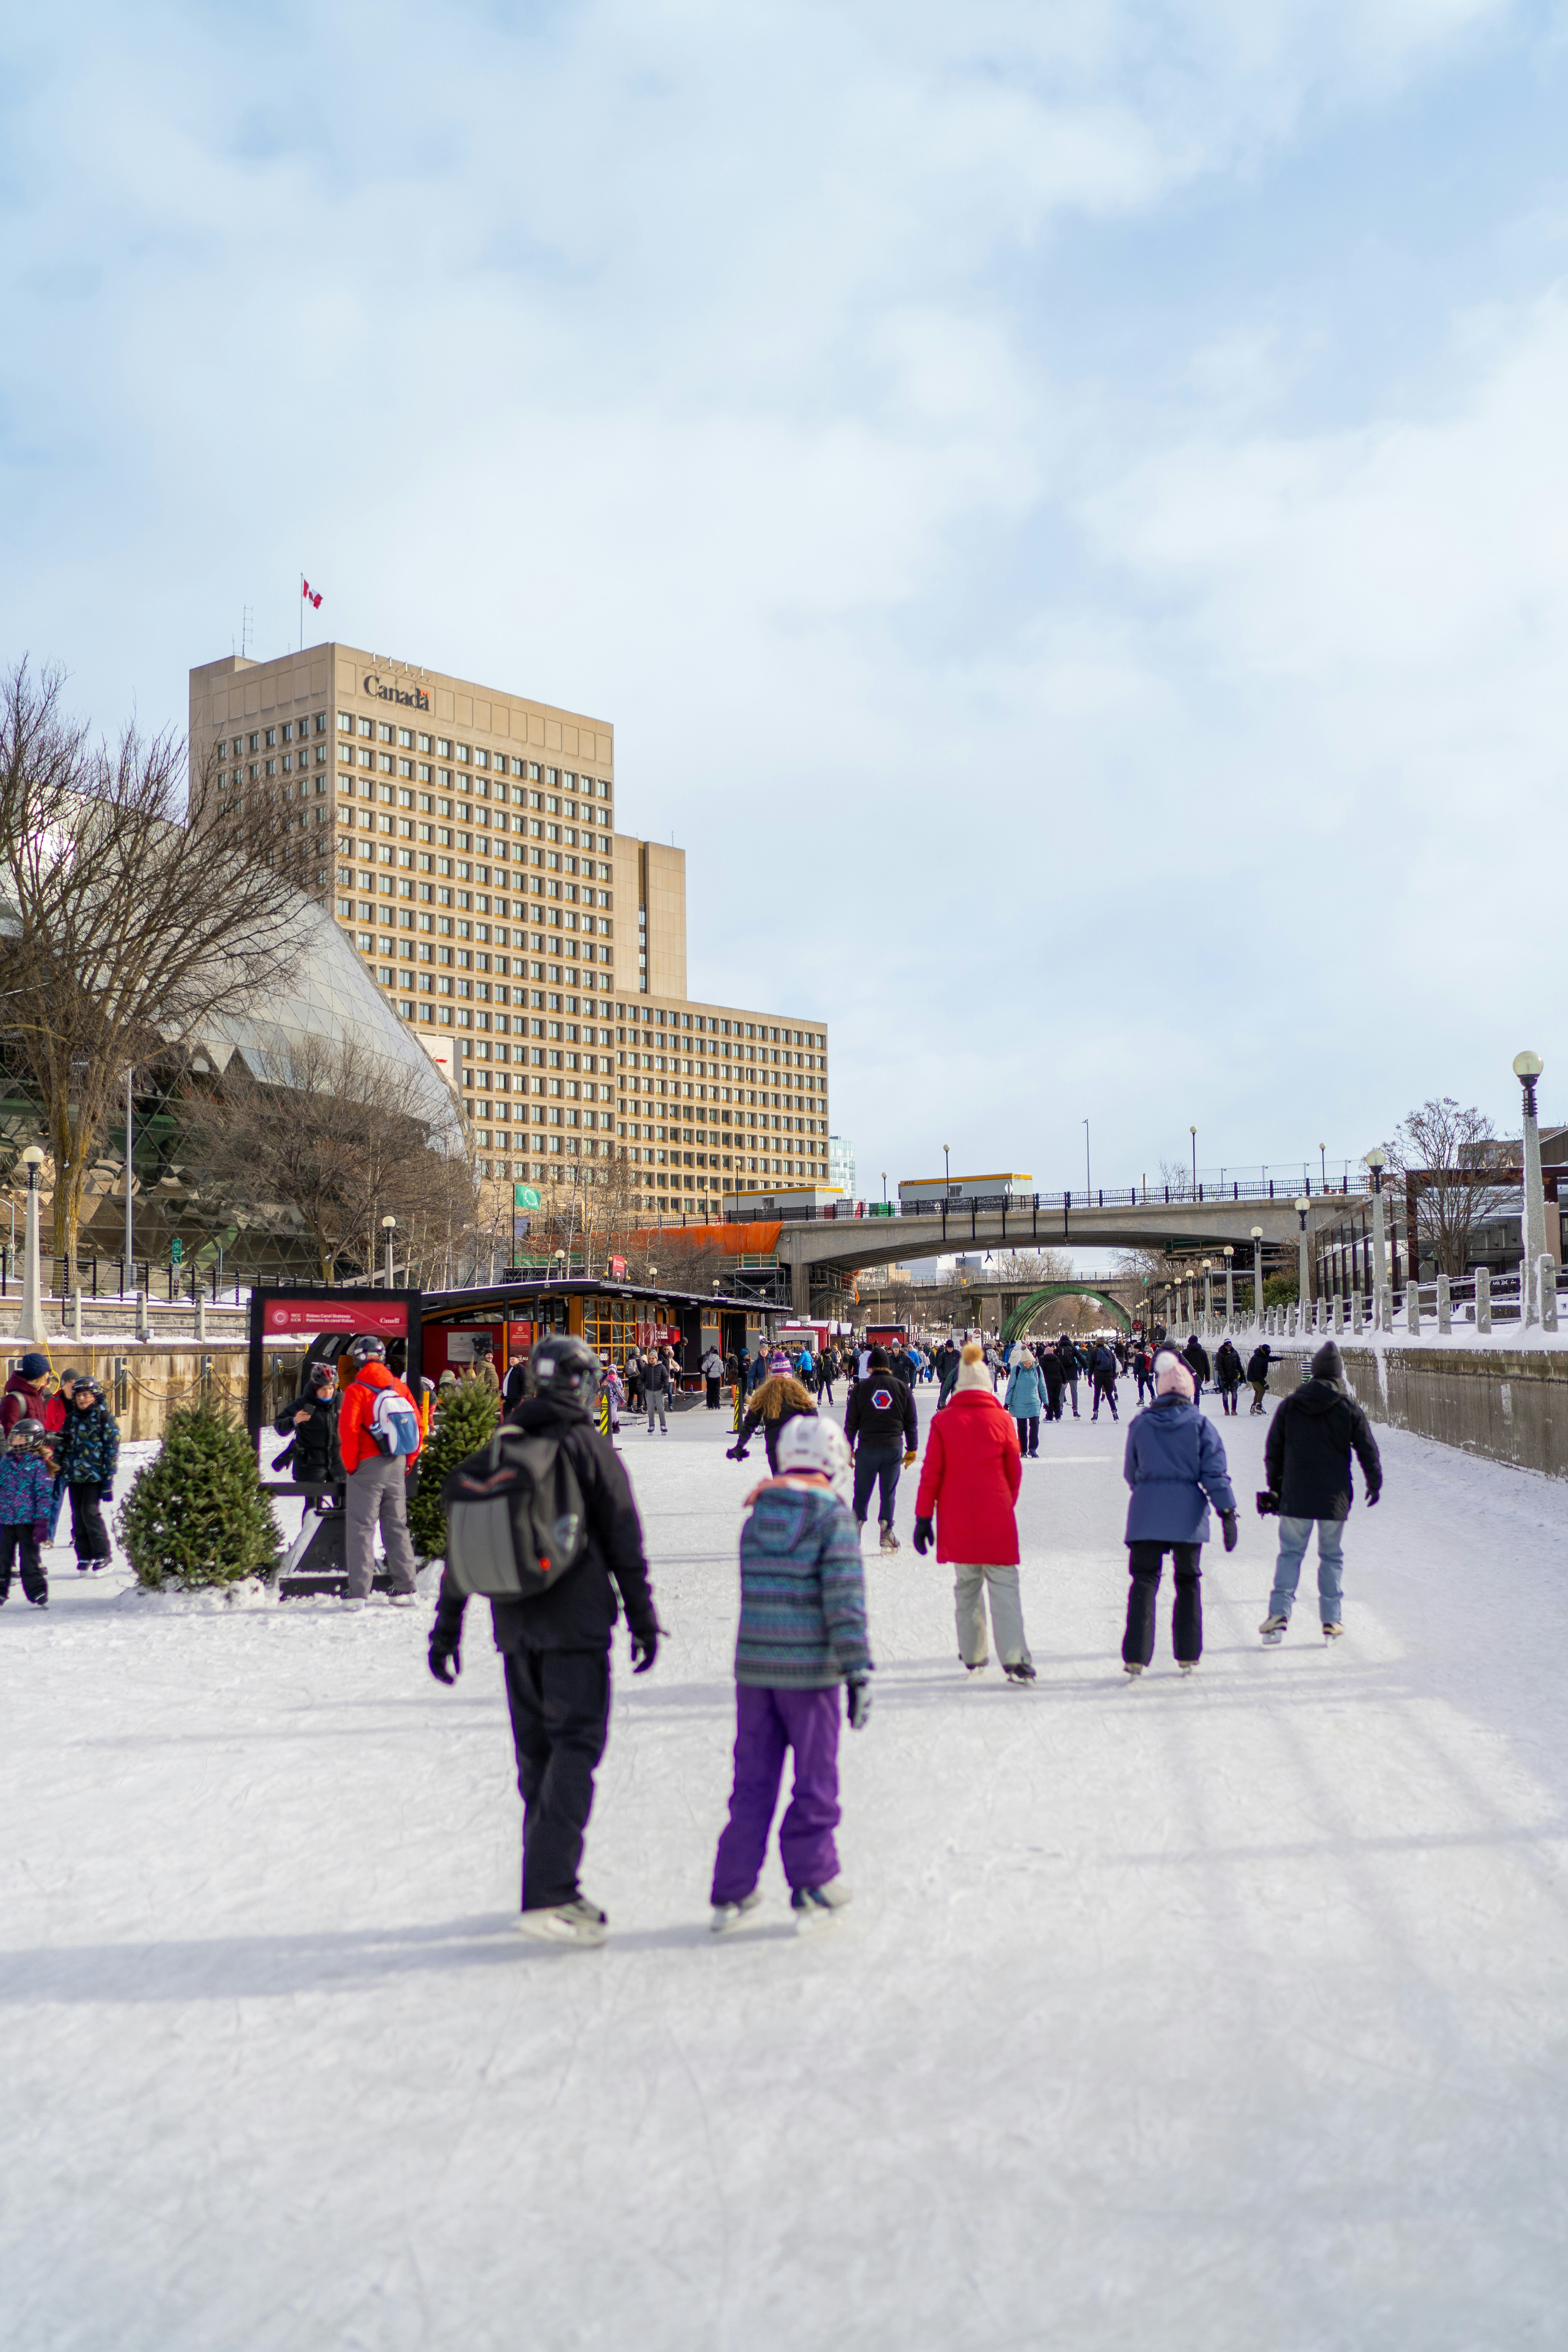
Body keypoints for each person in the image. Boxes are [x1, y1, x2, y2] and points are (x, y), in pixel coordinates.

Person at [427, 1335, 660, 1948]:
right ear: (582, 1384)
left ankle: (542, 1882)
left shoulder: (505, 1443)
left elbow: (466, 1542)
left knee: (536, 1757)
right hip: (577, 1625)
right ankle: (552, 1891)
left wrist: (448, 1626)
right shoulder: (588, 1447)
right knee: (577, 1746)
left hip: (514, 1625)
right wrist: (642, 1618)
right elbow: (623, 1540)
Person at [709, 1414, 871, 1935]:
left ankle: (733, 1887)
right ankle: (812, 1877)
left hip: (756, 1668)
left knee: (752, 1779)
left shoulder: (757, 1515)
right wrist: (857, 1669)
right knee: (815, 1775)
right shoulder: (833, 1518)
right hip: (811, 1671)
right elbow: (843, 1600)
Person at [914, 1341, 1034, 1682]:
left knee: (967, 1588)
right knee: (1004, 1587)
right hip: (997, 1517)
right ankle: (1014, 1656)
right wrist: (1004, 1503)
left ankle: (973, 1654)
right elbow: (1015, 1471)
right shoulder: (1001, 1420)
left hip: (958, 1520)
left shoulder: (944, 1422)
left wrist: (924, 1518)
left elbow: (931, 1474)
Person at [1120, 1352, 1237, 1678]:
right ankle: (1187, 1653)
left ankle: (1136, 1656)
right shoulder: (1201, 1425)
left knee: (1144, 1581)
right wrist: (1226, 1511)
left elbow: (1131, 1472)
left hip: (1145, 1514)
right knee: (1188, 1581)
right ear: (1189, 1392)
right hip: (1188, 1517)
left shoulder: (1141, 1424)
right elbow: (1215, 1473)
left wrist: (1147, 1493)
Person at [1260, 1341, 1382, 1645]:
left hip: (1295, 1496)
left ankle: (1279, 1614)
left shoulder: (1290, 1405)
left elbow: (1273, 1451)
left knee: (1290, 1554)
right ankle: (1332, 1620)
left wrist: (1276, 1487)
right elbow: (1368, 1449)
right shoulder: (1347, 1408)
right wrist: (1374, 1482)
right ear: (1338, 1375)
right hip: (1334, 1497)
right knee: (1331, 1557)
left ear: (1312, 1374)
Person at [337, 1334, 422, 1607]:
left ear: (359, 1359)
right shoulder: (400, 1387)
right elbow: (418, 1426)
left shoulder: (356, 1390)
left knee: (362, 1528)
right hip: (397, 1464)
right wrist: (409, 1461)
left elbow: (348, 1432)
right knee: (397, 1526)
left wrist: (352, 1466)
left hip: (367, 1466)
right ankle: (406, 1589)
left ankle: (359, 1594)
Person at [844, 1346, 918, 1553]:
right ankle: (887, 1531)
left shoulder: (860, 1390)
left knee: (862, 1491)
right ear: (888, 1367)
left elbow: (851, 1424)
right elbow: (911, 1423)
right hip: (892, 1449)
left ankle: (855, 1528)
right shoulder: (902, 1388)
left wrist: (847, 1448)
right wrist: (912, 1449)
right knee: (888, 1492)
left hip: (867, 1449)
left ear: (869, 1369)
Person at [54, 1374, 121, 1573]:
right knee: (77, 1516)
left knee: (90, 1513)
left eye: (86, 1395)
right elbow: (62, 1445)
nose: (82, 1399)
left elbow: (112, 1450)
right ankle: (84, 1555)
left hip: (95, 1477)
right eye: (79, 1396)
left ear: (96, 1396)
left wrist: (108, 1479)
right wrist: (56, 1468)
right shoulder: (71, 1419)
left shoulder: (104, 1419)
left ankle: (103, 1555)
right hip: (74, 1476)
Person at [0, 1416, 54, 1607]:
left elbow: (44, 1496)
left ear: (33, 1440)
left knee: (29, 1560)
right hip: (6, 1520)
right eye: (14, 1438)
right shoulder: (5, 1464)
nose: (15, 1442)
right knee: (2, 1558)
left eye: (21, 1438)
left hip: (28, 1522)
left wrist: (42, 1523)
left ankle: (37, 1591)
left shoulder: (38, 1465)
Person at [729, 1367, 817, 1474]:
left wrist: (739, 1446)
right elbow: (814, 1421)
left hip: (774, 1446)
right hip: (797, 1446)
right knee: (797, 1483)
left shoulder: (764, 1396)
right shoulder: (799, 1396)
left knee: (779, 1481)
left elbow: (749, 1425)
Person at [271, 1359, 342, 1482]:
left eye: (331, 1388)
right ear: (315, 1388)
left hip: (338, 1462)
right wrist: (294, 1421)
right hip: (311, 1464)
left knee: (343, 1500)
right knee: (313, 1500)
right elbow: (279, 1426)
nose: (328, 1393)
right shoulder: (304, 1403)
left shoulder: (341, 1401)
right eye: (323, 1389)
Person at [1003, 1347, 1044, 1459]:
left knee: (1035, 1425)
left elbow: (1042, 1387)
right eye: (1025, 1363)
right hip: (1019, 1402)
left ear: (1033, 1361)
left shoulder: (1037, 1370)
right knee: (1022, 1428)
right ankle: (1023, 1450)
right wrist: (1007, 1403)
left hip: (1034, 1401)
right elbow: (1010, 1387)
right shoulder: (1017, 1370)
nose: (1028, 1365)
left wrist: (1046, 1402)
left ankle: (1033, 1449)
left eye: (1029, 1363)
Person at [1, 1351, 52, 1437]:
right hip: (23, 1450)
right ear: (39, 1376)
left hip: (37, 1449)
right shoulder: (15, 1400)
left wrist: (54, 1437)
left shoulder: (39, 1395)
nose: (49, 1376)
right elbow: (9, 1435)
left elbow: (38, 1429)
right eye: (47, 1373)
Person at [1089, 1338, 1120, 1424]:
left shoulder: (1094, 1352)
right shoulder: (1109, 1352)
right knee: (1110, 1395)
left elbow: (1091, 1365)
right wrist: (1113, 1375)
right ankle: (1115, 1414)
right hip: (1109, 1375)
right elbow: (1114, 1363)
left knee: (1097, 1395)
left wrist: (1089, 1377)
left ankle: (1095, 1413)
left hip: (1098, 1376)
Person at [1214, 1337, 1245, 1417]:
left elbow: (1239, 1364)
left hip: (1234, 1376)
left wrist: (1242, 1374)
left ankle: (1234, 1410)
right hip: (1225, 1378)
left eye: (1230, 1345)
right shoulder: (1220, 1355)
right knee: (1225, 1394)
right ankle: (1226, 1410)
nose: (1229, 1347)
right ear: (1224, 1346)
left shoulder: (1235, 1353)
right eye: (1227, 1346)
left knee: (1234, 1393)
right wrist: (1223, 1378)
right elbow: (1219, 1367)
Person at [642, 1348, 670, 1435]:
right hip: (649, 1390)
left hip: (659, 1391)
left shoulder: (662, 1367)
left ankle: (663, 1425)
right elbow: (641, 1378)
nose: (651, 1360)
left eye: (653, 1358)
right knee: (650, 1410)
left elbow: (666, 1377)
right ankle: (651, 1426)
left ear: (656, 1359)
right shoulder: (646, 1368)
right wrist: (640, 1385)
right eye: (650, 1359)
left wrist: (666, 1386)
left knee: (661, 1409)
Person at [1182, 1332, 1211, 1407]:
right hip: (1200, 1376)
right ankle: (1196, 1408)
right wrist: (1207, 1377)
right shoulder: (1203, 1352)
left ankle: (1188, 1407)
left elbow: (1182, 1364)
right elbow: (1207, 1365)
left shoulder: (1185, 1352)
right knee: (1197, 1394)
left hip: (1188, 1375)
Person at [1056, 1334, 1081, 1420]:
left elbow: (1054, 1360)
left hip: (1063, 1375)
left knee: (1061, 1393)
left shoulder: (1058, 1349)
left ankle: (1060, 1409)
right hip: (1073, 1374)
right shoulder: (1073, 1349)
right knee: (1074, 1393)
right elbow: (1080, 1358)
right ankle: (1075, 1411)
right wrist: (1087, 1368)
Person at [1246, 1342, 1274, 1415]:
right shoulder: (1258, 1358)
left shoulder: (1262, 1356)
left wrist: (1280, 1358)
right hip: (1254, 1378)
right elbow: (1257, 1373)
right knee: (1262, 1390)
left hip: (1254, 1377)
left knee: (1258, 1392)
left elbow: (1270, 1359)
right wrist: (1264, 1383)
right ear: (1265, 1351)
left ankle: (1253, 1408)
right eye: (1269, 1350)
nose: (1270, 1351)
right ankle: (1258, 1408)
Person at [701, 1344, 724, 1411]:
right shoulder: (719, 1361)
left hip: (709, 1377)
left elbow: (703, 1368)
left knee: (710, 1391)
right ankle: (717, 1405)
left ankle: (710, 1405)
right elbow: (722, 1371)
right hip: (716, 1378)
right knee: (717, 1391)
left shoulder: (708, 1359)